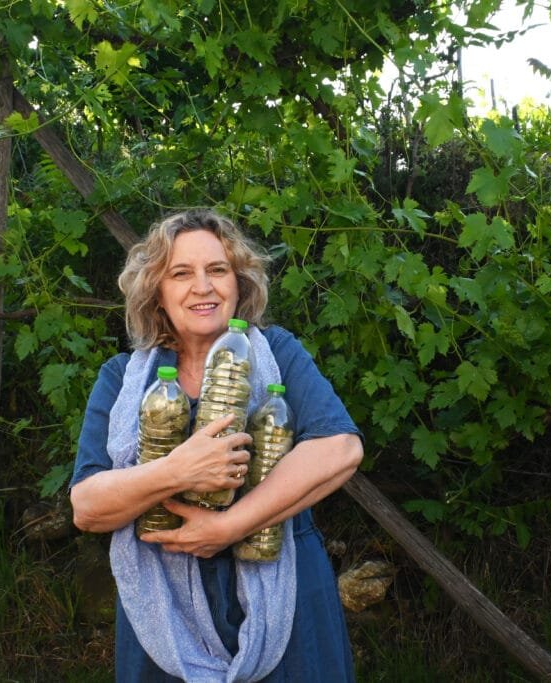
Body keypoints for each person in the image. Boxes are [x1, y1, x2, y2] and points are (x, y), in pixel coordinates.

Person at [70, 208, 364, 682]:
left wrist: (230, 526)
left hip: (284, 595)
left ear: (239, 282)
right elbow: (87, 507)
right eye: (181, 273)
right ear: (157, 292)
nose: (202, 287)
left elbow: (340, 448)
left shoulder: (279, 352)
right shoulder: (121, 380)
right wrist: (177, 471)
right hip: (162, 616)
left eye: (218, 270)